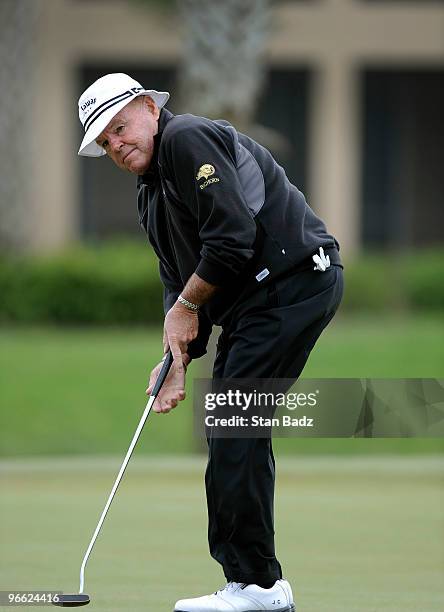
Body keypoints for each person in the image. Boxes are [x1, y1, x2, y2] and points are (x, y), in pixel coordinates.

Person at [78, 73, 343, 612]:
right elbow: (180, 278)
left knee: (232, 422)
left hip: (295, 283)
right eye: (104, 141)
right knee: (231, 423)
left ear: (149, 108)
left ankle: (259, 587)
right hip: (257, 302)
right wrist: (176, 359)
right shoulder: (151, 191)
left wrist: (185, 309)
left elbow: (231, 240)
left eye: (119, 127)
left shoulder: (185, 139)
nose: (116, 143)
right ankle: (256, 583)